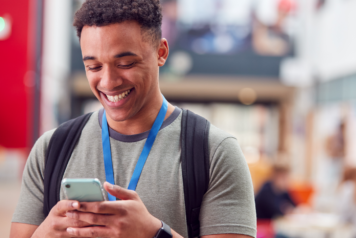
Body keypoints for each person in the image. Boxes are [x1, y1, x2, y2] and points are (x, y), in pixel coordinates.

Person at [10, 0, 256, 237]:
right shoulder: (51, 149)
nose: (108, 82)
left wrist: (154, 233)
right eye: (94, 67)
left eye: (125, 63)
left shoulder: (214, 152)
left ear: (161, 52)